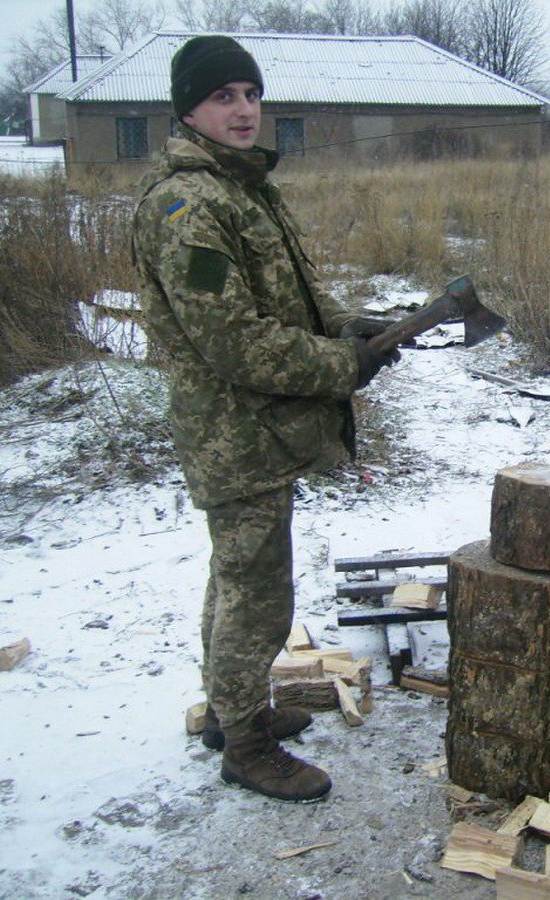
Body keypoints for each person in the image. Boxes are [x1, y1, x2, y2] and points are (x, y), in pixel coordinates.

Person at [131, 35, 398, 803]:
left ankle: (228, 708)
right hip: (234, 429)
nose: (244, 110)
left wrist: (355, 327)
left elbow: (290, 301)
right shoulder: (186, 207)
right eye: (224, 96)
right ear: (188, 108)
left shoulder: (240, 186)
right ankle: (245, 746)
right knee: (256, 591)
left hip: (257, 427)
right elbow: (238, 342)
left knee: (237, 576)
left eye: (250, 93)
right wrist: (345, 366)